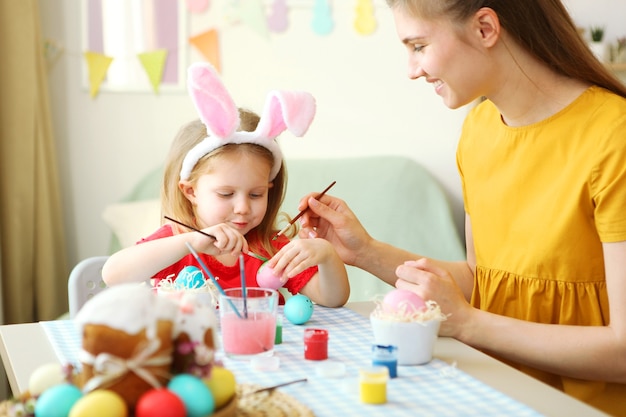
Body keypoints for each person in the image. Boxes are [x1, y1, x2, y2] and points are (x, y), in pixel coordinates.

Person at [279, 1, 626, 414]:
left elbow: (622, 349)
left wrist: (466, 323)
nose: (411, 69)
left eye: (418, 45)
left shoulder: (613, 138)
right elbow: (483, 280)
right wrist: (364, 252)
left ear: (484, 28)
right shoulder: (478, 131)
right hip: (491, 387)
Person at [102, 63, 349, 308]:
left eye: (256, 194)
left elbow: (333, 298)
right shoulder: (177, 241)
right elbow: (112, 275)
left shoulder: (269, 246)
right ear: (191, 191)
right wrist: (192, 243)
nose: (242, 207)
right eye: (226, 193)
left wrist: (327, 255)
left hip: (261, 345)